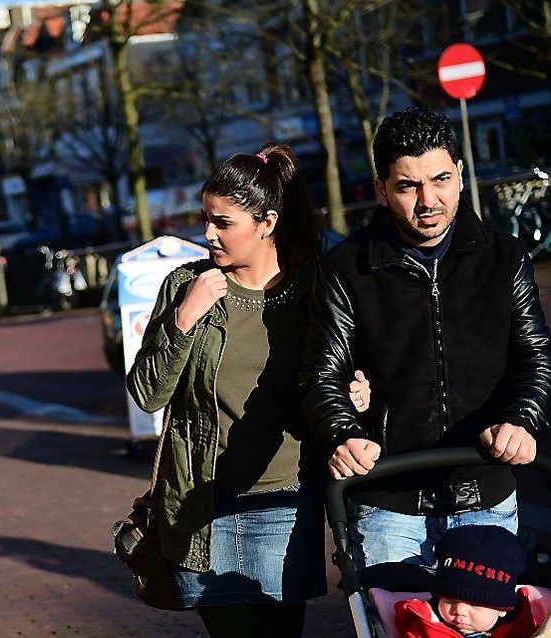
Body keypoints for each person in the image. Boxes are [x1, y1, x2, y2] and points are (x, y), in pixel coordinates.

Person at [127, 143, 366, 636]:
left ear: (267, 222)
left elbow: (336, 377)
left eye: (223, 223)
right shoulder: (185, 286)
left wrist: (353, 394)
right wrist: (186, 318)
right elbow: (147, 394)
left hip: (285, 500)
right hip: (203, 506)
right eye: (206, 219)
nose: (208, 234)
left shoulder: (311, 290)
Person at [300, 106, 551, 568]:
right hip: (387, 503)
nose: (427, 200)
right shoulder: (345, 271)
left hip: (486, 494)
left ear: (459, 174)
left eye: (439, 180)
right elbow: (322, 373)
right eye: (407, 186)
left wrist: (523, 419)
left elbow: (535, 357)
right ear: (380, 190)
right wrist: (342, 433)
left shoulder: (505, 257)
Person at [393, 525, 539, 638]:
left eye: (475, 604)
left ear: (502, 609)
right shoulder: (422, 626)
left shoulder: (525, 628)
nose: (460, 611)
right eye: (450, 599)